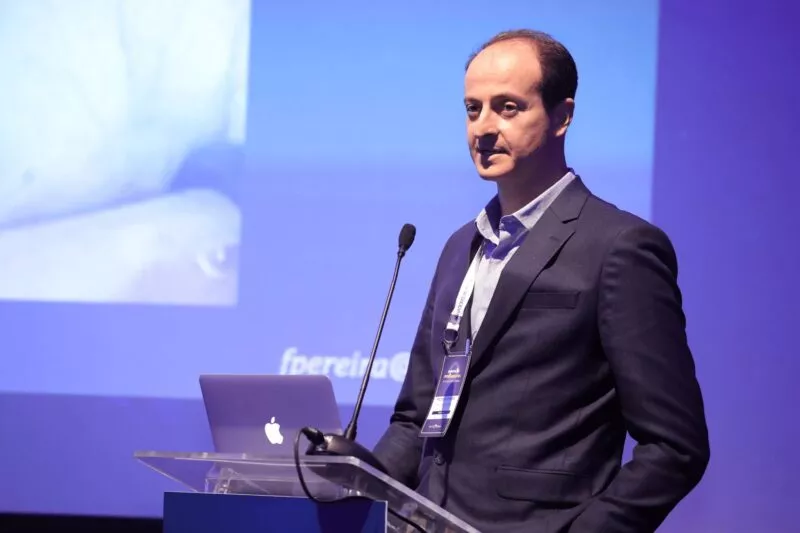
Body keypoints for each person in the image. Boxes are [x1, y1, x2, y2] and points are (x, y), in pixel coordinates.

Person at [372, 29, 710, 533]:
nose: (484, 127)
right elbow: (414, 420)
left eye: (507, 107)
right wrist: (349, 484)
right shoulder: (459, 247)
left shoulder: (620, 247)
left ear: (562, 116)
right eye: (472, 109)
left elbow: (676, 446)